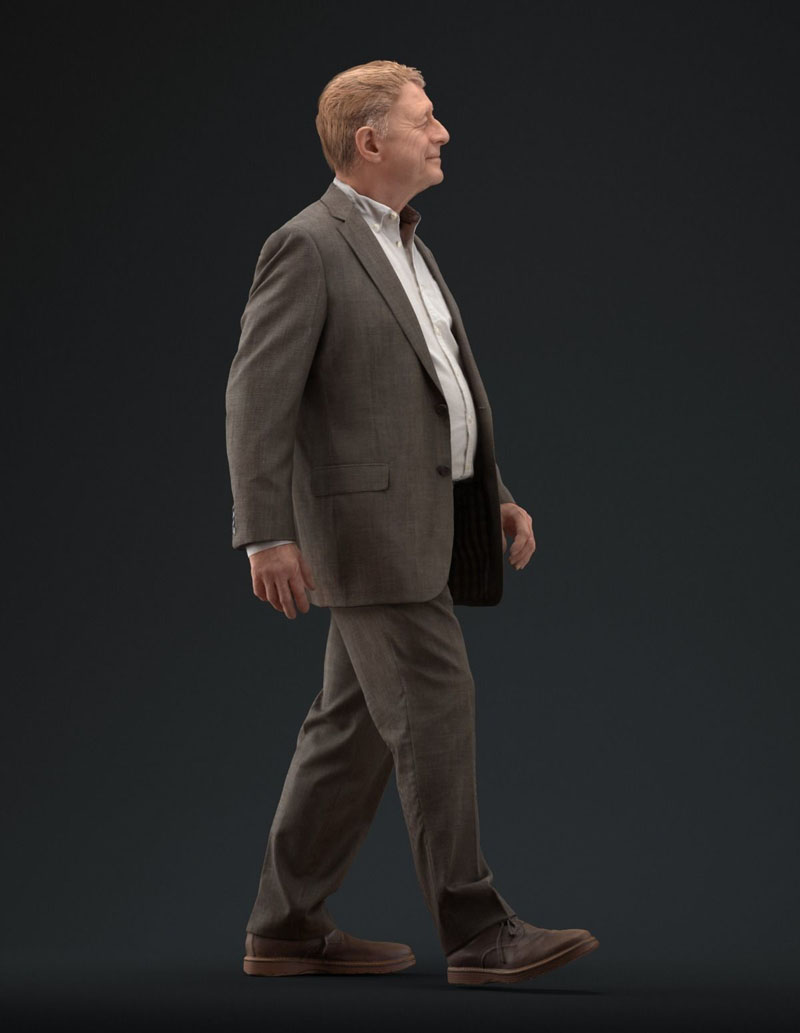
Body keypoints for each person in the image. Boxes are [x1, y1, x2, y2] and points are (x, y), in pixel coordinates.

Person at [225, 59, 598, 987]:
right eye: (425, 119)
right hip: (370, 535)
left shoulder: (407, 242)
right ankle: (478, 930)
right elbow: (257, 397)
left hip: (423, 520)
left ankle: (285, 926)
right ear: (370, 140)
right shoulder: (307, 245)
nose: (442, 133)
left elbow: (437, 387)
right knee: (435, 706)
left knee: (348, 733)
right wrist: (265, 533)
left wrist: (490, 489)